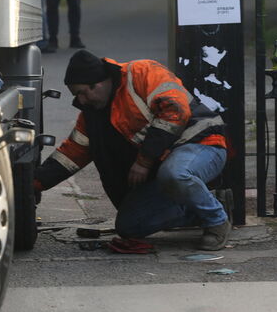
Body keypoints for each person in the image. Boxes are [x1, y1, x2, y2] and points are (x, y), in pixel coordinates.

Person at [34, 50, 232, 251]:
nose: (81, 101)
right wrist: (33, 184)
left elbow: (176, 111)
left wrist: (144, 161)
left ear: (99, 83)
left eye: (82, 92)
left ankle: (216, 221)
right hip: (164, 164)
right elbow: (72, 154)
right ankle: (212, 203)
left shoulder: (142, 72)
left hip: (203, 144)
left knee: (175, 173)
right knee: (129, 226)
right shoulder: (92, 115)